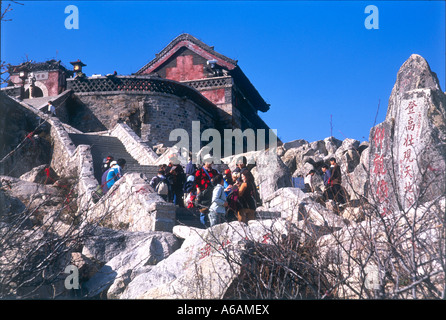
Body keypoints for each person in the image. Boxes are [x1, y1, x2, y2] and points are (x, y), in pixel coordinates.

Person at [194, 154, 219, 226]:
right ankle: (203, 226)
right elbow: (196, 181)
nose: (209, 162)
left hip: (212, 193)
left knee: (211, 210)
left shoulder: (214, 172)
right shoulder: (200, 171)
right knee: (203, 209)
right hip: (203, 192)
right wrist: (198, 189)